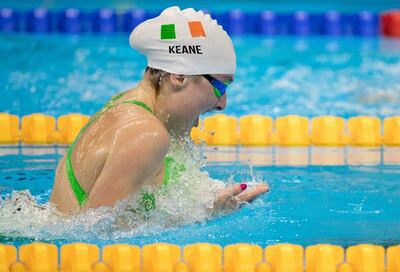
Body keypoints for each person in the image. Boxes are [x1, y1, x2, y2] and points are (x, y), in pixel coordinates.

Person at [50, 6, 269, 214]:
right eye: (221, 86)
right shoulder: (146, 134)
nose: (222, 103)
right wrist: (206, 213)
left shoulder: (126, 106)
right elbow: (94, 234)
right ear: (179, 76)